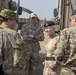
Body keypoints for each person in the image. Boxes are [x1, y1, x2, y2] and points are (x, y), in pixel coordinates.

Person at [0, 9, 26, 75]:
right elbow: (19, 58)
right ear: (9, 20)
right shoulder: (14, 34)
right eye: (15, 21)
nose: (16, 23)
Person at [54, 10, 76, 75]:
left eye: (70, 20)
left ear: (74, 20)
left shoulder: (67, 32)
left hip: (68, 70)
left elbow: (59, 55)